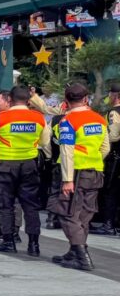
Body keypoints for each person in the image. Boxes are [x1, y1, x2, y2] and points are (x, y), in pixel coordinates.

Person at [0, 86, 51, 256]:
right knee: (30, 206)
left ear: (10, 99)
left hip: (5, 165)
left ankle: (8, 241)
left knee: (6, 205)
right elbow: (44, 142)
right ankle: (34, 245)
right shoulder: (39, 117)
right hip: (29, 165)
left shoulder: (2, 116)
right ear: (28, 100)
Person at [48, 83, 110, 270]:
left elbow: (67, 152)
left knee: (68, 213)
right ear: (86, 99)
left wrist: (67, 180)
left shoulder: (68, 122)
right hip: (95, 172)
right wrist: (93, 160)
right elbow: (105, 148)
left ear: (66, 101)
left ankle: (82, 256)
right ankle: (73, 252)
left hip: (75, 173)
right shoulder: (99, 119)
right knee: (85, 214)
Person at [91, 83, 120, 235]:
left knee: (110, 190)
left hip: (116, 157)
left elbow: (113, 136)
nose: (108, 96)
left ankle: (108, 224)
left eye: (110, 94)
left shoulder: (113, 113)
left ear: (115, 96)